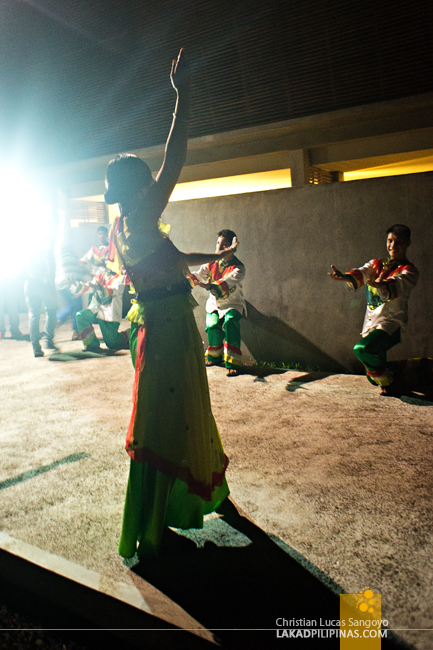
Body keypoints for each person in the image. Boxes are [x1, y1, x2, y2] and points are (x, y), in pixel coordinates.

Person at [104, 48, 233, 558]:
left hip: (163, 326)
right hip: (168, 332)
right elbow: (175, 158)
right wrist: (181, 95)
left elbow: (174, 259)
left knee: (182, 411)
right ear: (137, 188)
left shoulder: (128, 228)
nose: (154, 184)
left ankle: (202, 499)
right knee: (171, 417)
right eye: (146, 179)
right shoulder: (140, 215)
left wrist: (215, 255)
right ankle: (157, 522)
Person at [328, 224, 419, 396]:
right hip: (370, 323)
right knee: (371, 376)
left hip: (391, 323)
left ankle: (390, 382)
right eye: (390, 241)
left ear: (408, 243)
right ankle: (396, 372)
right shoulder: (376, 264)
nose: (393, 246)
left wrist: (381, 285)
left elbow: (398, 284)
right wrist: (345, 277)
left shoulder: (410, 271)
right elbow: (362, 272)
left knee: (361, 349)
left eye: (399, 242)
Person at [188, 229, 245, 376]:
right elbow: (199, 275)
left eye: (225, 244)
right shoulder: (210, 263)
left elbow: (225, 283)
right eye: (218, 243)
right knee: (212, 325)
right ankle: (215, 356)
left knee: (230, 321)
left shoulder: (239, 268)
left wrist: (210, 286)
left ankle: (233, 362)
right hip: (214, 304)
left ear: (233, 247)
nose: (220, 247)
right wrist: (186, 278)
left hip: (232, 304)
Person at [70, 268, 129, 352]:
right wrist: (77, 285)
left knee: (113, 344)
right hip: (96, 310)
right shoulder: (101, 276)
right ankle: (92, 346)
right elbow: (89, 287)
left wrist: (99, 287)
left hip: (110, 313)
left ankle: (132, 333)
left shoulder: (120, 277)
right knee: (81, 316)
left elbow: (114, 290)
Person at [24, 238, 58, 357]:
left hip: (30, 285)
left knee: (33, 315)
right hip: (44, 285)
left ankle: (36, 348)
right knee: (52, 311)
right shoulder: (46, 252)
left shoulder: (27, 253)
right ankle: (48, 340)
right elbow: (50, 268)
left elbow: (27, 271)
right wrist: (52, 286)